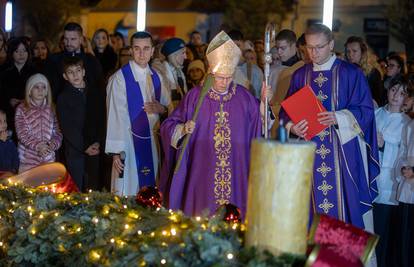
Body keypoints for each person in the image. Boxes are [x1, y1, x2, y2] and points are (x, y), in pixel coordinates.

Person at [279, 24, 380, 230]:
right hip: (309, 154)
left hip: (342, 154)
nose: (314, 53)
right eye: (309, 47)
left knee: (346, 208)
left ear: (331, 44)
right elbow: (285, 112)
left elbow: (366, 111)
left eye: (319, 47)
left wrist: (339, 117)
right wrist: (292, 126)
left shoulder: (351, 73)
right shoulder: (300, 75)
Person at [159, 31, 262, 218]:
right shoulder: (195, 97)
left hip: (236, 171)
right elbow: (168, 125)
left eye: (228, 77)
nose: (224, 82)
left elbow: (260, 127)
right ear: (210, 71)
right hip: (202, 173)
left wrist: (265, 105)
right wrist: (182, 129)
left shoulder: (245, 98)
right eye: (220, 76)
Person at [105, 31, 171, 196]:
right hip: (127, 144)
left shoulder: (157, 77)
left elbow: (169, 108)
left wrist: (161, 109)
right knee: (128, 189)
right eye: (137, 48)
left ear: (152, 50)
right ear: (131, 50)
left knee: (151, 189)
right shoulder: (120, 79)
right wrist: (116, 152)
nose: (142, 53)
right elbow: (114, 117)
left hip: (153, 143)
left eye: (146, 48)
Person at [373, 78, 410, 267]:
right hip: (370, 182)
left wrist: (384, 146)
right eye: (394, 90)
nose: (396, 96)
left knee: (384, 239)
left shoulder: (406, 123)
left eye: (402, 93)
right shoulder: (375, 114)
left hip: (389, 188)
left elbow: (405, 154)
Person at [57, 57, 105, 192]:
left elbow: (101, 119)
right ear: (65, 76)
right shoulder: (63, 98)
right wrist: (84, 146)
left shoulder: (95, 92)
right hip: (75, 150)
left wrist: (97, 142)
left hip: (96, 147)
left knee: (94, 187)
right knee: (77, 187)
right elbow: (68, 128)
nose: (75, 75)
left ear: (83, 72)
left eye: (78, 70)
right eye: (70, 72)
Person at [15, 74, 62, 172]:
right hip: (28, 159)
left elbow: (58, 132)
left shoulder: (52, 108)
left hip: (48, 158)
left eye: (44, 87)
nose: (40, 90)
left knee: (48, 186)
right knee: (28, 186)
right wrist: (39, 146)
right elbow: (22, 133)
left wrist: (51, 145)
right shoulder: (22, 109)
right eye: (36, 87)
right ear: (29, 90)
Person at [45, 22, 104, 100]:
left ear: (81, 39)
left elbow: (99, 87)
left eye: (73, 39)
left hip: (88, 106)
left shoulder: (91, 60)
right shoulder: (54, 59)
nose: (68, 43)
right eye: (66, 39)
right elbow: (48, 86)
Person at [0, 37, 37, 140]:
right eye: (17, 51)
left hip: (30, 115)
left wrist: (27, 101)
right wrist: (9, 101)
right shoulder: (4, 72)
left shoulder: (34, 72)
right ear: (11, 53)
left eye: (24, 51)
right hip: (9, 116)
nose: (21, 54)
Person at [395, 102, 414, 267]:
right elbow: (403, 151)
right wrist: (403, 168)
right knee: (404, 239)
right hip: (407, 190)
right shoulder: (409, 125)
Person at [345, 36, 384, 106]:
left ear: (363, 52)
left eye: (354, 51)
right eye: (348, 51)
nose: (350, 55)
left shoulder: (373, 73)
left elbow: (379, 99)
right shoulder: (344, 70)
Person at [152, 37, 187, 109]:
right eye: (183, 53)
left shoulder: (179, 72)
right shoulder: (159, 72)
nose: (185, 57)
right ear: (173, 55)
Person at [228, 30, 264, 99]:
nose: (235, 49)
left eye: (238, 45)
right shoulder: (219, 70)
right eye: (231, 46)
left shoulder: (255, 71)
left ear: (243, 46)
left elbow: (257, 99)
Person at [0, 110, 19, 174]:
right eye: (0, 122)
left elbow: (15, 155)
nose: (4, 124)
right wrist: (2, 142)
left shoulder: (10, 141)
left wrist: (15, 169)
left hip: (10, 173)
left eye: (5, 121)